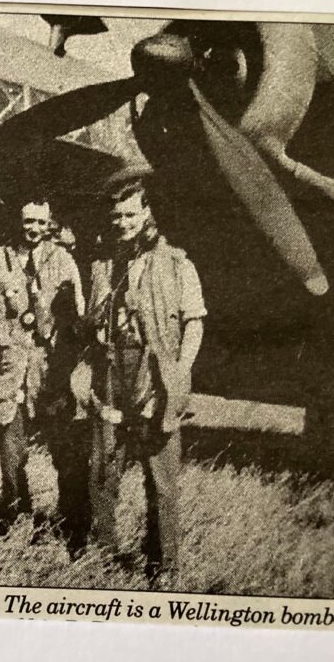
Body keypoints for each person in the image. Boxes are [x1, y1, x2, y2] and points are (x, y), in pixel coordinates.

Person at [73, 179, 205, 586]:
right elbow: (89, 320)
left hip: (156, 372)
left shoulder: (177, 262)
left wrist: (179, 373)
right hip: (110, 370)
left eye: (131, 214)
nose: (123, 223)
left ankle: (164, 566)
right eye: (116, 216)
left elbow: (193, 322)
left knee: (161, 478)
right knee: (102, 470)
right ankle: (102, 552)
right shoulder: (102, 265)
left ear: (146, 212)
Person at [0, 194, 90, 554]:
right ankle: (16, 515)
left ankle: (68, 520)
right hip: (9, 365)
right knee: (10, 449)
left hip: (48, 367)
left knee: (61, 446)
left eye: (41, 222)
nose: (34, 228)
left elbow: (79, 313)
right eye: (28, 221)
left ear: (50, 223)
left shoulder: (64, 260)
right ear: (18, 221)